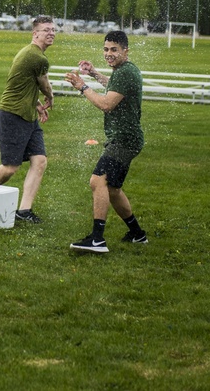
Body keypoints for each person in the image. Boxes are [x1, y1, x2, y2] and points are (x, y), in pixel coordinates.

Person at [64, 30, 148, 253]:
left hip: (123, 140)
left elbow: (106, 104)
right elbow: (114, 87)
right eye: (105, 49)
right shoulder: (124, 71)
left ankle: (97, 240)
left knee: (97, 181)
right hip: (127, 139)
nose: (108, 54)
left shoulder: (125, 72)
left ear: (125, 51)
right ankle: (138, 235)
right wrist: (94, 74)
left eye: (114, 50)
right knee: (113, 189)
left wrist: (82, 86)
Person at [0, 14, 56, 223]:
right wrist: (50, 98)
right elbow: (44, 84)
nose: (51, 33)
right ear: (35, 34)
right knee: (10, 167)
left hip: (27, 114)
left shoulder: (32, 54)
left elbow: (23, 85)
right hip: (13, 115)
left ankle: (24, 211)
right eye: (46, 30)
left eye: (53, 30)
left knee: (40, 161)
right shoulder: (36, 57)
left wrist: (35, 104)